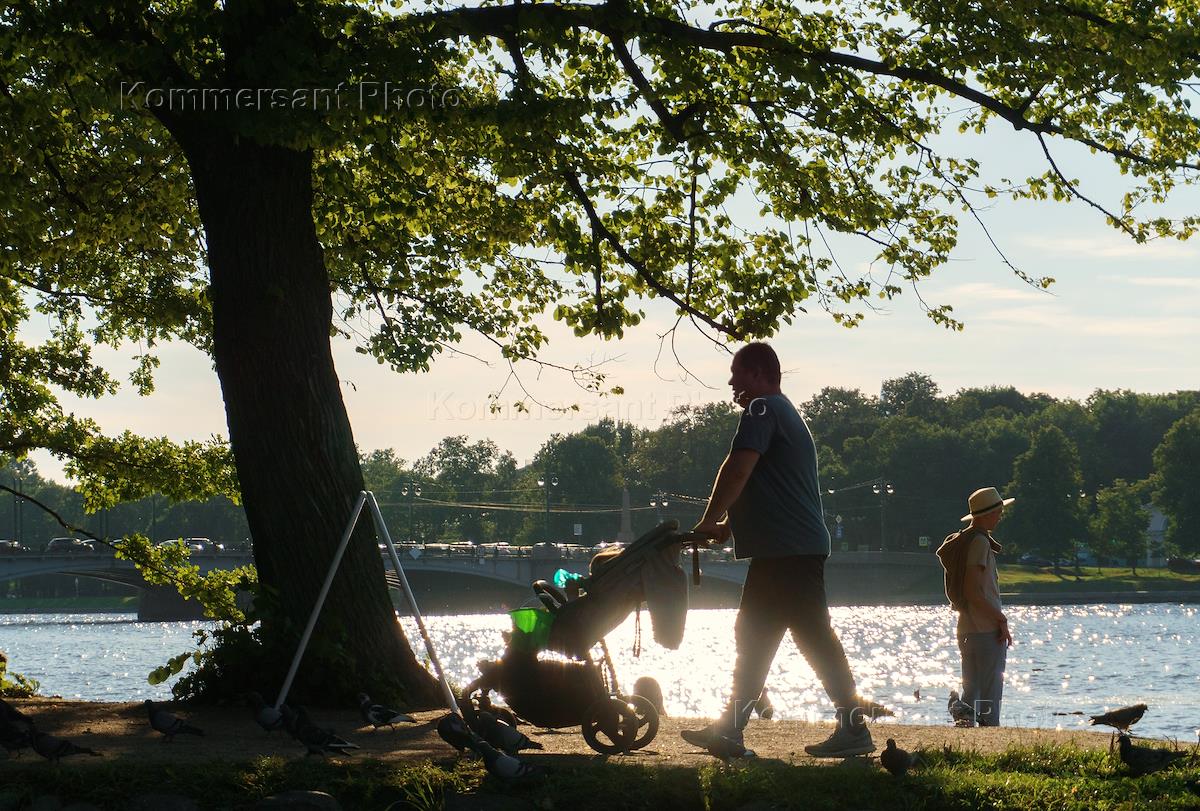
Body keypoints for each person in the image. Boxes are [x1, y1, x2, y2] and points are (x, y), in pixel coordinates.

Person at [681, 342, 877, 759]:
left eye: (737, 373)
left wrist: (709, 519)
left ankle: (851, 729)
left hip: (789, 552)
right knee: (759, 635)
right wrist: (728, 527)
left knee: (804, 638)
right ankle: (731, 729)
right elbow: (759, 481)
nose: (731, 382)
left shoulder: (762, 410)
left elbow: (738, 469)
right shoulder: (780, 412)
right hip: (786, 551)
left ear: (758, 373)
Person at [936, 486, 1014, 727]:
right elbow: (974, 592)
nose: (1000, 516)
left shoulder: (963, 540)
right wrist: (1001, 619)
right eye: (998, 511)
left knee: (971, 691)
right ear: (987, 514)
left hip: (966, 628)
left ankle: (967, 740)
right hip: (984, 628)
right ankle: (990, 733)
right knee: (990, 692)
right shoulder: (979, 542)